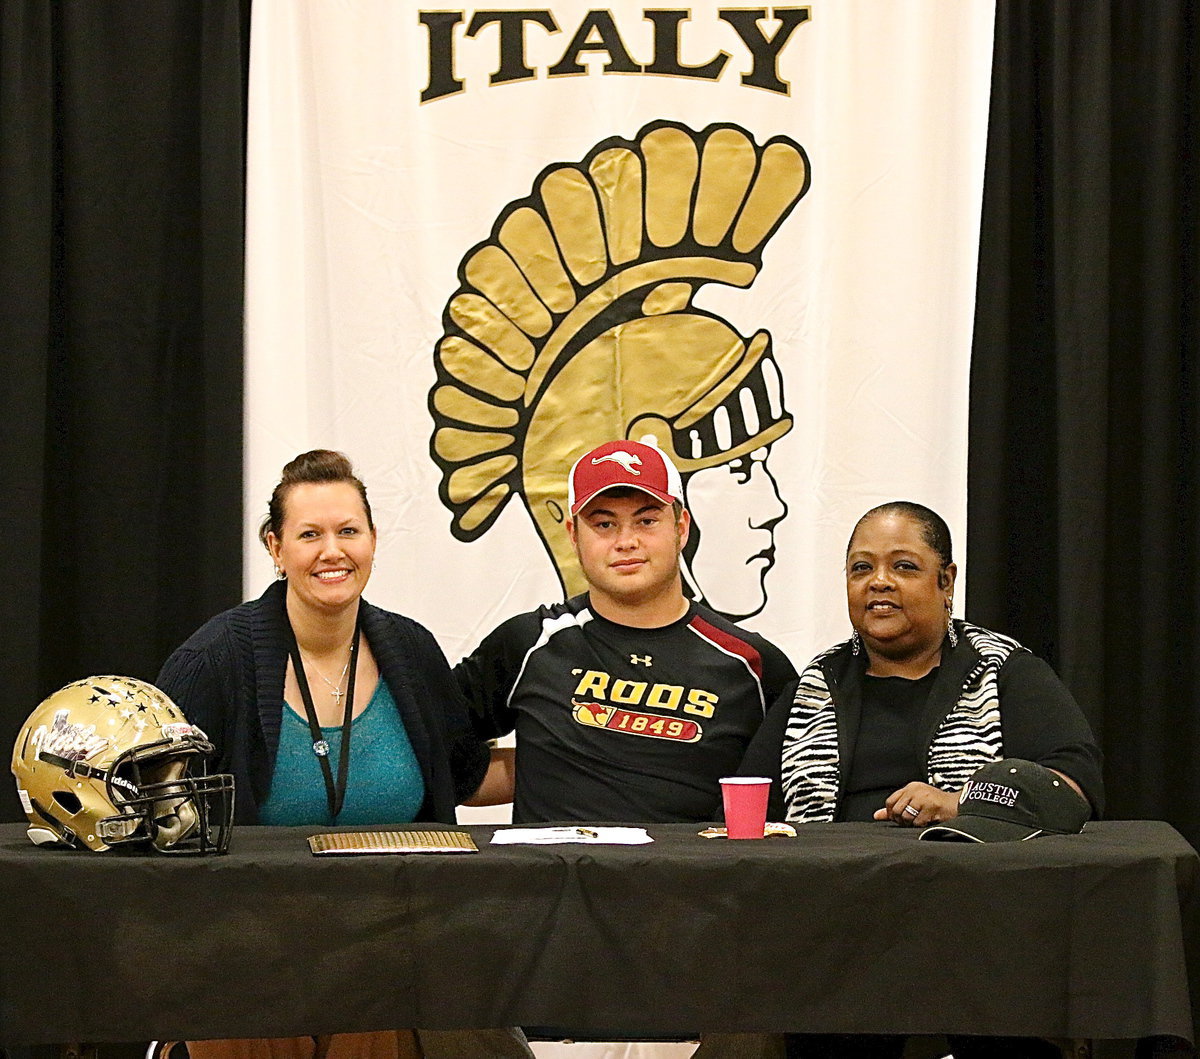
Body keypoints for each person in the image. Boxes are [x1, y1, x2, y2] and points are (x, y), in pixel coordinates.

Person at [157, 449, 533, 1059]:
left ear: (373, 541)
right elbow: (159, 813)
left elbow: (464, 777)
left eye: (348, 531)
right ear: (276, 548)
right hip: (246, 944)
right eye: (310, 535)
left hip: (394, 939)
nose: (332, 551)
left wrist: (586, 758)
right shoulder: (213, 661)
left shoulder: (412, 651)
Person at [458, 438, 797, 1059]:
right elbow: (436, 754)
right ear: (572, 533)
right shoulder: (529, 643)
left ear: (681, 525)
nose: (626, 541)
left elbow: (788, 806)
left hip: (697, 963)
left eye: (646, 520)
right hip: (544, 962)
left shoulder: (753, 665)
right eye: (604, 523)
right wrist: (536, 765)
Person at [738, 500, 1104, 1059]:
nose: (879, 582)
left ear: (946, 581)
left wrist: (962, 805)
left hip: (976, 930)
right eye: (861, 568)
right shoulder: (816, 683)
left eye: (903, 566)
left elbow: (1073, 787)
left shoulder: (1004, 671)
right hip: (830, 931)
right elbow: (747, 802)